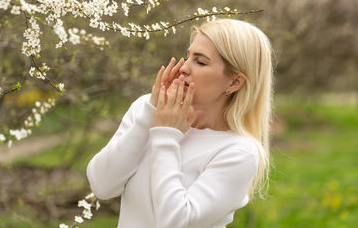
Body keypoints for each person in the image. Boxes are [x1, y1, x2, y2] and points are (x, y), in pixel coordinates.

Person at [87, 18, 273, 228]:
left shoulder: (238, 152)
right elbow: (102, 185)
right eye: (188, 56)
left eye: (200, 62)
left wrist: (165, 136)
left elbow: (175, 222)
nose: (184, 68)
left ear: (234, 82)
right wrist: (151, 113)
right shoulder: (145, 109)